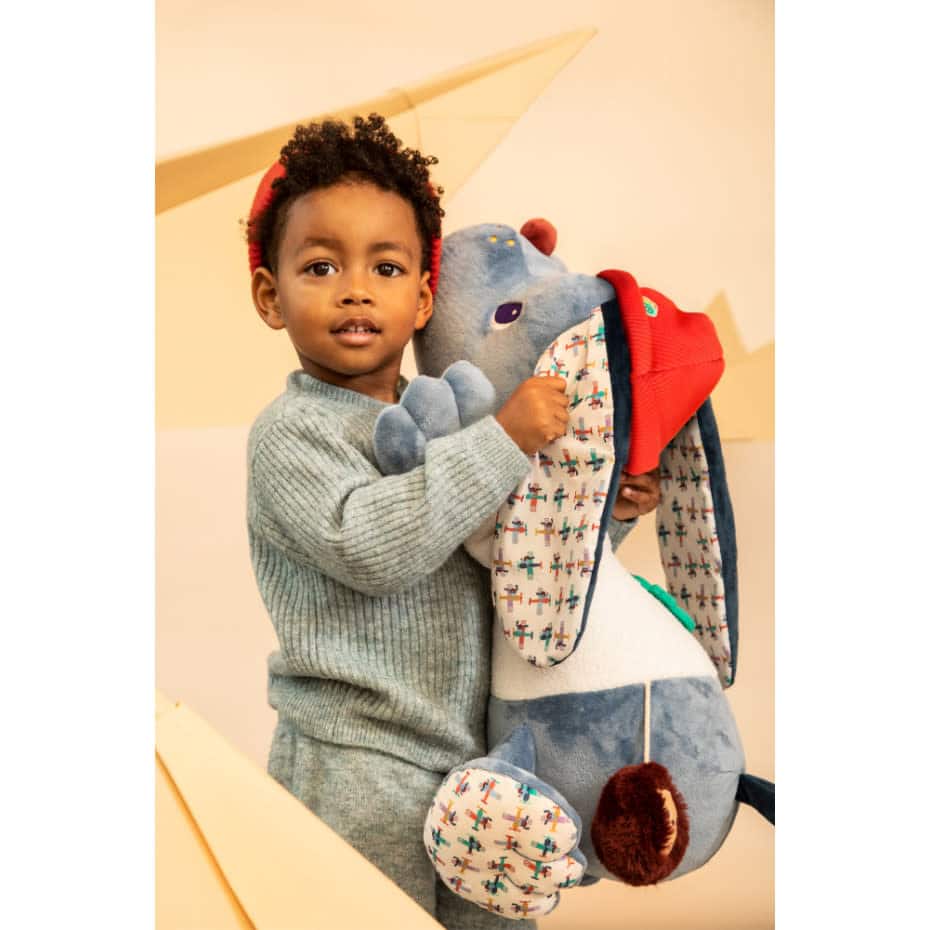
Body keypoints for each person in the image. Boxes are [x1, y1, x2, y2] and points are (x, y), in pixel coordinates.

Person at [245, 114, 661, 928]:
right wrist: (504, 441)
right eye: (321, 265)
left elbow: (510, 555)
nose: (356, 289)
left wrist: (607, 513)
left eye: (386, 266)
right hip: (355, 760)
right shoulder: (291, 434)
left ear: (424, 298)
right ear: (271, 295)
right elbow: (369, 546)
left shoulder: (453, 423)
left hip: (479, 758)